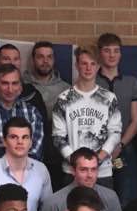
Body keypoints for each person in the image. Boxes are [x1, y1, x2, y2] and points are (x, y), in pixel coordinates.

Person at [52, 46, 122, 188]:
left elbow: (115, 133)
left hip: (102, 172)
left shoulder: (109, 98)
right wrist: (76, 162)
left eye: (92, 64)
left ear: (98, 67)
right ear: (77, 65)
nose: (88, 68)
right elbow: (58, 137)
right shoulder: (63, 99)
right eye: (84, 63)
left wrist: (99, 158)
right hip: (72, 171)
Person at [96, 33, 137, 206]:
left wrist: (120, 145)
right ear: (100, 53)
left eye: (116, 51)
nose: (112, 55)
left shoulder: (131, 83)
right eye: (107, 50)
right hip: (97, 149)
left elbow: (136, 121)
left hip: (123, 149)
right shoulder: (91, 82)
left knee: (126, 198)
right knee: (98, 198)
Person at [0, 64, 45, 166]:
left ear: (20, 86)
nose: (10, 89)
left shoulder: (32, 112)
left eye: (15, 83)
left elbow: (35, 152)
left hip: (26, 172)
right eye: (5, 83)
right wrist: (21, 148)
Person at [0, 44, 49, 119]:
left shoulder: (32, 93)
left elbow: (43, 124)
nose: (12, 63)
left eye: (16, 59)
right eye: (6, 59)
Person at [25, 40, 70, 114]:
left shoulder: (66, 89)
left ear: (54, 60)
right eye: (40, 57)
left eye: (49, 57)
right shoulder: (21, 85)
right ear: (33, 60)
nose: (45, 61)